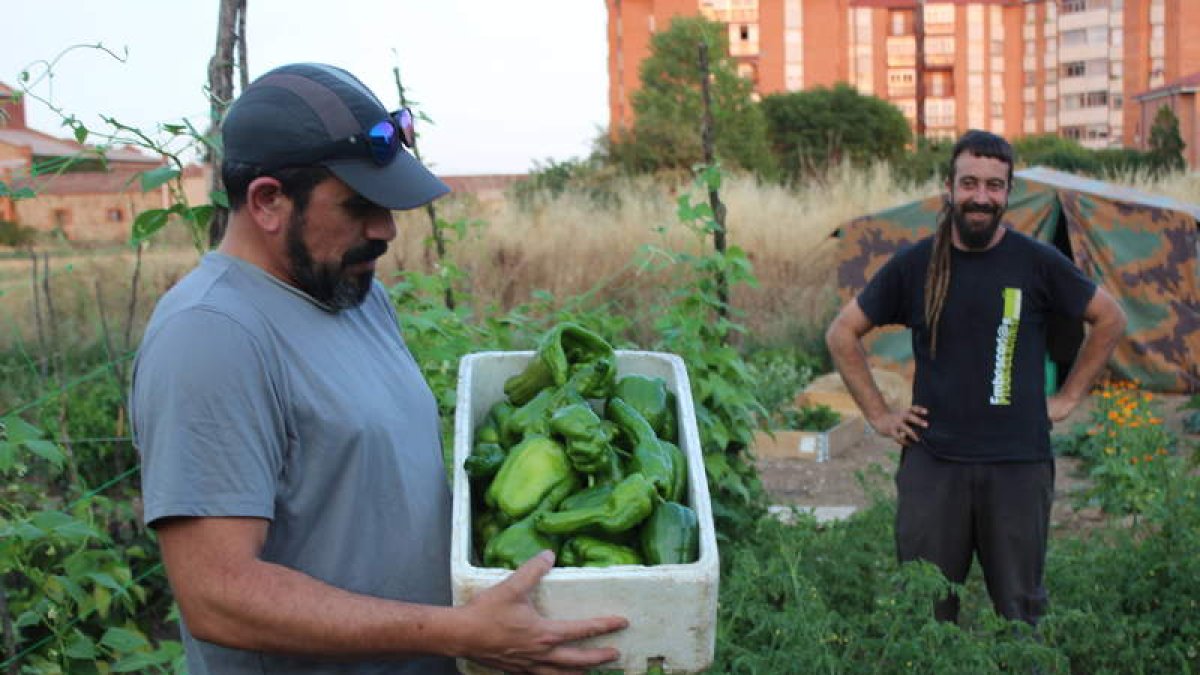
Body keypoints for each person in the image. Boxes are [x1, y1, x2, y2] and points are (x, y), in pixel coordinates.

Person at [131, 62, 627, 674]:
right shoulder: (211, 336)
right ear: (267, 201)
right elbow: (218, 596)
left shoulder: (351, 290)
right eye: (360, 206)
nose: (386, 230)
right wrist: (457, 631)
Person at [825, 130, 1126, 625]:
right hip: (934, 464)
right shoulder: (916, 264)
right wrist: (879, 415)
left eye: (994, 185)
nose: (981, 197)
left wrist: (1070, 395)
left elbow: (1109, 317)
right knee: (925, 609)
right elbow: (842, 334)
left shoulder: (1037, 263)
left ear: (1008, 192)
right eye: (969, 184)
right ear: (949, 187)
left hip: (1018, 466)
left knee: (1020, 612)